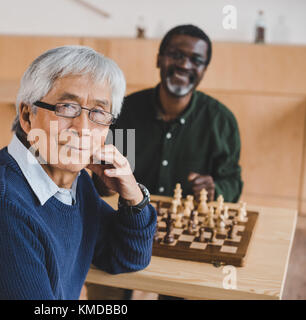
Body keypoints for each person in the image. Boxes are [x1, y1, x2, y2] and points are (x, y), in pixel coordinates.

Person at [0, 45, 157, 300]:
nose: (82, 128)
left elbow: (127, 257)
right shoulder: (2, 209)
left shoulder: (74, 181)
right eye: (67, 107)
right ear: (27, 115)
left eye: (98, 112)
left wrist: (133, 197)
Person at [88, 24, 243, 299]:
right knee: (104, 285)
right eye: (176, 54)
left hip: (187, 235)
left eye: (196, 60)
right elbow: (104, 186)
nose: (184, 65)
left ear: (204, 69)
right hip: (130, 224)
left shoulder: (221, 121)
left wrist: (216, 189)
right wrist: (106, 183)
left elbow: (232, 182)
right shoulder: (127, 113)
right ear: (159, 58)